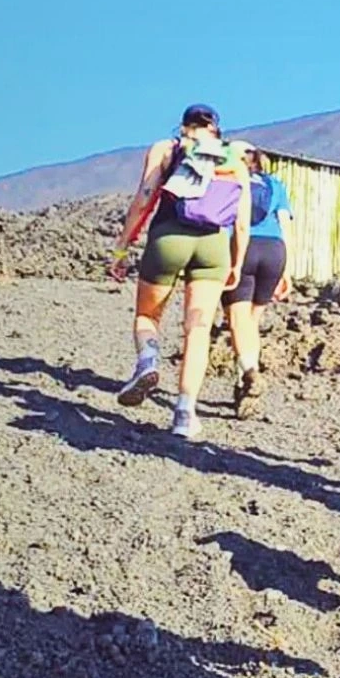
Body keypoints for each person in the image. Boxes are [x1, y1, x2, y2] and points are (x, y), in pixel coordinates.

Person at [108, 104, 251, 439]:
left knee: (147, 316)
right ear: (216, 128)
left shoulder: (167, 148)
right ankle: (185, 413)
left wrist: (122, 247)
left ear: (184, 126)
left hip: (168, 238)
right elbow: (242, 223)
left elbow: (144, 198)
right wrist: (236, 263)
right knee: (197, 330)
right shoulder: (233, 158)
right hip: (213, 247)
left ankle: (147, 362)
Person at [222, 144, 292, 419]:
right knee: (252, 321)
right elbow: (285, 224)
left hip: (242, 247)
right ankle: (243, 389)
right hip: (275, 250)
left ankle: (250, 372)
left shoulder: (230, 180)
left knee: (237, 320)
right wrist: (287, 269)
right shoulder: (275, 184)